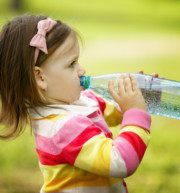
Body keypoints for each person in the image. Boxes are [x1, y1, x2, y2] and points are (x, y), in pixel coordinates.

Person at [0, 15, 153, 193]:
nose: (82, 70)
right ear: (40, 78)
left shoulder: (79, 101)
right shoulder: (61, 127)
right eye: (71, 64)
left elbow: (113, 111)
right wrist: (136, 113)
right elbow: (121, 161)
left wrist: (137, 98)